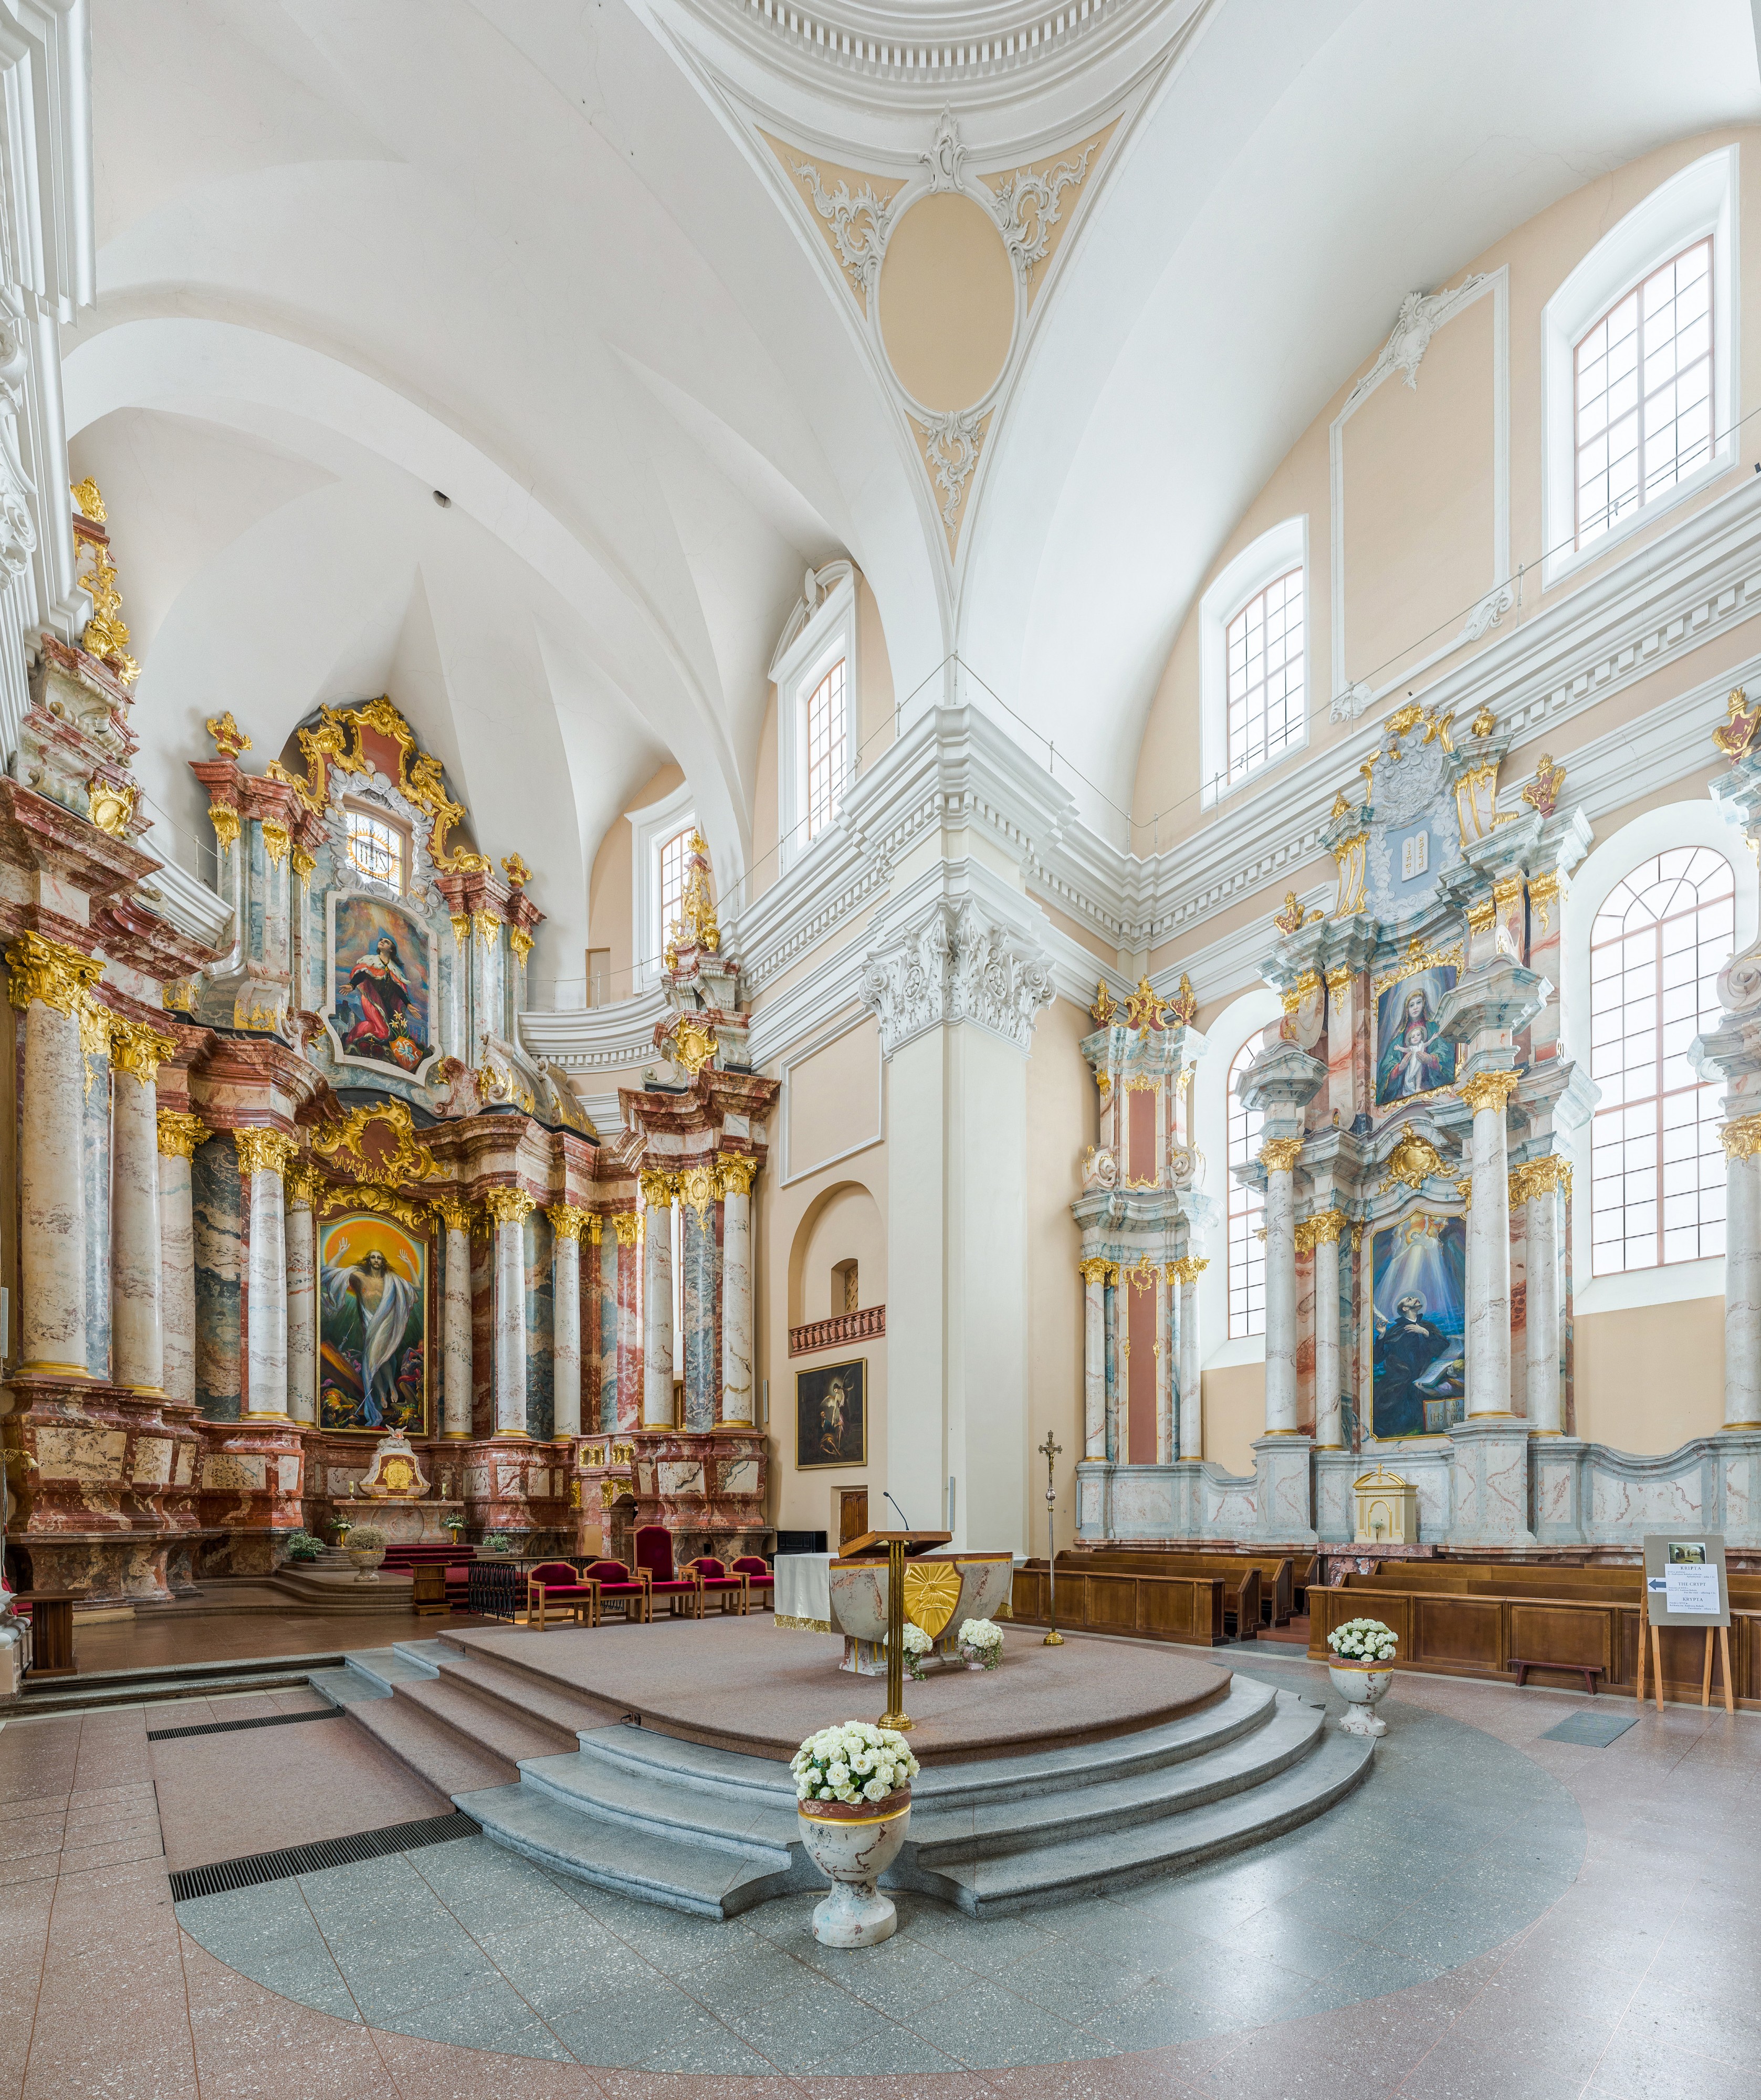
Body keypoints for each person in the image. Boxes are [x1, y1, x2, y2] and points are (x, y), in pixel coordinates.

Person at [321, 1248, 421, 1427]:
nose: (376, 1260)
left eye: (380, 1258)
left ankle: (390, 1387)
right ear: (369, 1260)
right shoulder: (359, 1277)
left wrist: (408, 1264)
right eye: (373, 1257)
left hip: (386, 1322)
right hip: (369, 1323)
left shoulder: (392, 1280)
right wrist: (341, 1253)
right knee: (371, 1362)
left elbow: (417, 1287)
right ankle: (383, 1393)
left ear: (383, 1262)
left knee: (384, 1356)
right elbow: (328, 1273)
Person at [1373, 1293, 1455, 1437]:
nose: (1415, 1299)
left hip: (1426, 1375)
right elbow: (1377, 1359)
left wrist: (1425, 1333)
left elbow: (1444, 1346)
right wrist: (1381, 1335)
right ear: (1404, 1308)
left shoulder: (1427, 1326)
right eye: (1409, 1299)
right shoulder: (1395, 1330)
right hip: (1400, 1378)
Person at [343, 933, 418, 1058]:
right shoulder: (372, 961)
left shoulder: (393, 969)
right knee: (383, 1031)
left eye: (386, 942)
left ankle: (365, 1040)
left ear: (391, 949)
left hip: (387, 1004)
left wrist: (408, 1004)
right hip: (371, 1000)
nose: (382, 942)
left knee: (387, 1030)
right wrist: (352, 985)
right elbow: (362, 974)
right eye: (381, 940)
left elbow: (398, 988)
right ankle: (353, 1037)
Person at [1377, 985, 1448, 1101]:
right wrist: (1399, 1068)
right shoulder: (1399, 1035)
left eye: (1419, 1003)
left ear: (1424, 1004)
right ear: (1407, 1010)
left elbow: (1444, 1051)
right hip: (1405, 1084)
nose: (1415, 1007)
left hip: (1431, 1086)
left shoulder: (1433, 1027)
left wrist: (1431, 1060)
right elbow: (1387, 1064)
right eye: (1412, 1005)